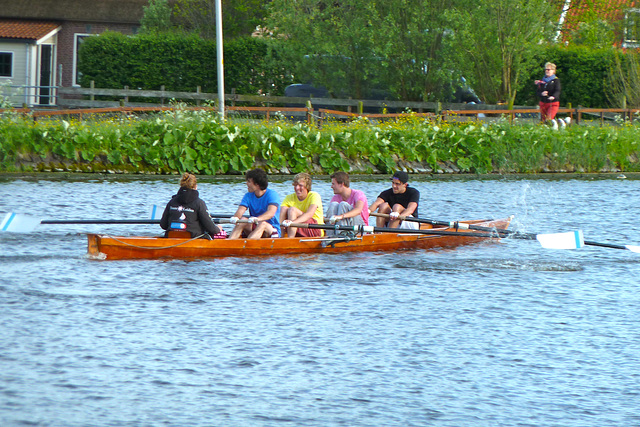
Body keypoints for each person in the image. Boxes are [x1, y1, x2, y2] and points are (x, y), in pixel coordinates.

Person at [160, 172, 221, 238]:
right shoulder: (199, 203)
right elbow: (211, 229)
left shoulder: (172, 202)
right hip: (193, 239)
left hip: (172, 238)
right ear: (196, 187)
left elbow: (163, 225)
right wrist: (218, 228)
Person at [228, 168, 281, 239]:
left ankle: (248, 245)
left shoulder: (272, 195)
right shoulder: (248, 195)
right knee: (243, 219)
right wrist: (236, 217)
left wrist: (257, 219)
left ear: (257, 185)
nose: (247, 183)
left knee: (262, 224)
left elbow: (271, 213)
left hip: (271, 228)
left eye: (249, 181)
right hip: (255, 224)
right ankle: (230, 242)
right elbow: (241, 210)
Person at [280, 172, 324, 237]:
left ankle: (290, 240)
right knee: (284, 209)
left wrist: (292, 223)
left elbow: (309, 214)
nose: (297, 188)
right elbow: (281, 213)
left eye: (300, 185)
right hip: (298, 226)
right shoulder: (289, 197)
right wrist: (281, 224)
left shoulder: (314, 196)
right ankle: (280, 237)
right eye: (295, 185)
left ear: (307, 186)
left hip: (314, 229)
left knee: (292, 210)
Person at [535, 62, 565, 129]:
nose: (547, 71)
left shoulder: (556, 81)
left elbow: (557, 90)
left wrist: (553, 96)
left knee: (549, 118)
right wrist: (542, 94)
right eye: (546, 69)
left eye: (549, 69)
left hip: (553, 103)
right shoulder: (542, 81)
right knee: (543, 120)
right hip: (543, 103)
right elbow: (537, 92)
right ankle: (558, 124)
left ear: (553, 71)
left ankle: (558, 126)